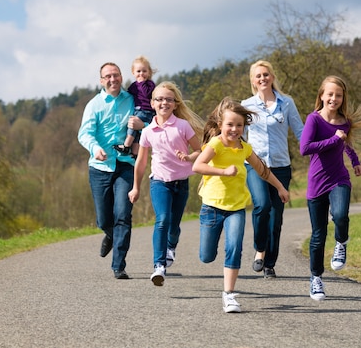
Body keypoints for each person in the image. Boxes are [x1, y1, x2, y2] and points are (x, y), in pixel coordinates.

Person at [192, 97, 290, 313]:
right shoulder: (216, 144)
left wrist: (281, 188)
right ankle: (213, 262)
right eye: (230, 124)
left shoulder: (245, 148)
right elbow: (197, 166)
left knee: (234, 247)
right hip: (211, 208)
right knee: (206, 256)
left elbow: (262, 170)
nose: (235, 129)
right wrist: (223, 171)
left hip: (235, 209)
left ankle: (229, 295)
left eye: (239, 125)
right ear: (220, 125)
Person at [299, 75, 361, 301]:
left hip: (339, 178)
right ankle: (316, 279)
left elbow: (346, 142)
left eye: (338, 95)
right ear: (321, 95)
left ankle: (341, 242)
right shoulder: (314, 120)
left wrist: (356, 161)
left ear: (343, 98)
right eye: (330, 94)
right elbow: (305, 148)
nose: (334, 98)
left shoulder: (345, 121)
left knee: (340, 215)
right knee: (318, 236)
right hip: (316, 183)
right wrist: (333, 139)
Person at [128, 81, 204, 286]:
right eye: (159, 99)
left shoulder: (183, 126)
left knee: (174, 226)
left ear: (175, 103)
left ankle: (171, 246)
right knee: (162, 220)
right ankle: (158, 266)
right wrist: (135, 187)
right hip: (160, 182)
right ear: (152, 103)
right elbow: (142, 162)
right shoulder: (147, 131)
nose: (164, 103)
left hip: (181, 183)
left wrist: (189, 158)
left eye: (168, 100)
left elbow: (200, 151)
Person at [78, 62, 145, 280]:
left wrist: (141, 126)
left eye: (116, 75)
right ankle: (109, 234)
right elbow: (84, 133)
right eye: (108, 76)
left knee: (123, 215)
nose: (113, 79)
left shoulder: (131, 100)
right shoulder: (94, 105)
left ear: (121, 77)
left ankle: (119, 265)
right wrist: (95, 148)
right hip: (100, 167)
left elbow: (146, 118)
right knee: (104, 220)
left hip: (125, 164)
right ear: (101, 81)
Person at [241, 60, 304, 279]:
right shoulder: (246, 105)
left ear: (272, 76)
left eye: (266, 74)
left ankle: (269, 263)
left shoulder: (286, 103)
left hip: (281, 167)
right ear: (253, 80)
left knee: (276, 217)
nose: (262, 79)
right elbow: (238, 136)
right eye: (258, 76)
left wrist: (317, 149)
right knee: (262, 206)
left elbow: (300, 131)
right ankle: (259, 250)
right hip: (255, 165)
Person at [114, 55, 156, 157]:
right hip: (137, 110)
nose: (141, 74)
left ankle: (126, 145)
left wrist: (141, 83)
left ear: (149, 72)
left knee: (132, 125)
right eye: (138, 71)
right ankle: (135, 153)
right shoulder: (133, 85)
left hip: (146, 111)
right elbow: (128, 95)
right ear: (133, 73)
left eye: (144, 71)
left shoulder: (150, 84)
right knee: (137, 133)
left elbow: (146, 93)